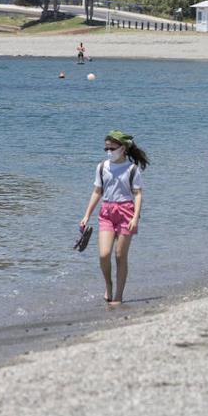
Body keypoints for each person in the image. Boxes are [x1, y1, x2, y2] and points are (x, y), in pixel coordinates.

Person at [78, 131, 148, 306]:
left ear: (123, 148)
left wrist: (136, 217)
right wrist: (87, 215)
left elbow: (138, 194)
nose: (109, 151)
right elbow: (97, 192)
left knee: (119, 256)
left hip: (126, 212)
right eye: (106, 148)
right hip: (107, 212)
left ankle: (118, 294)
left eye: (112, 148)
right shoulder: (102, 167)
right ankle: (108, 284)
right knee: (104, 255)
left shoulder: (132, 169)